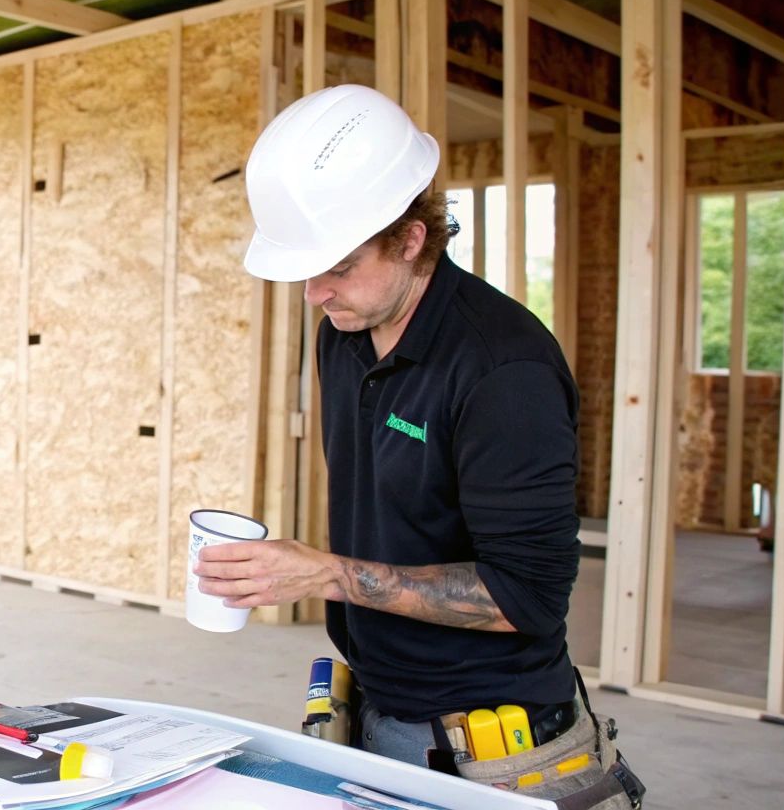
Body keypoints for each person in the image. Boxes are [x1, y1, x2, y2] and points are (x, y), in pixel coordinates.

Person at [196, 84, 584, 769]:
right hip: (377, 697)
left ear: (410, 239)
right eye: (306, 271)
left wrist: (325, 575)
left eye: (339, 268)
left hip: (486, 731)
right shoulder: (343, 333)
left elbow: (527, 597)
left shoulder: (503, 372)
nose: (315, 294)